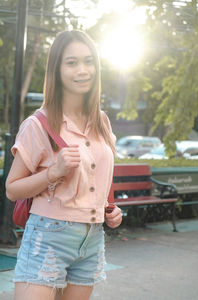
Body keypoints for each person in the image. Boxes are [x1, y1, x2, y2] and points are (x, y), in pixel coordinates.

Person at [6, 30, 122, 300]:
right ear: (56, 70)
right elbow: (12, 189)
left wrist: (111, 210)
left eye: (88, 61)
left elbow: (98, 179)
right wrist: (54, 172)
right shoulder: (38, 125)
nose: (83, 70)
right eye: (71, 63)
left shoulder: (102, 122)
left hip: (92, 239)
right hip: (48, 237)